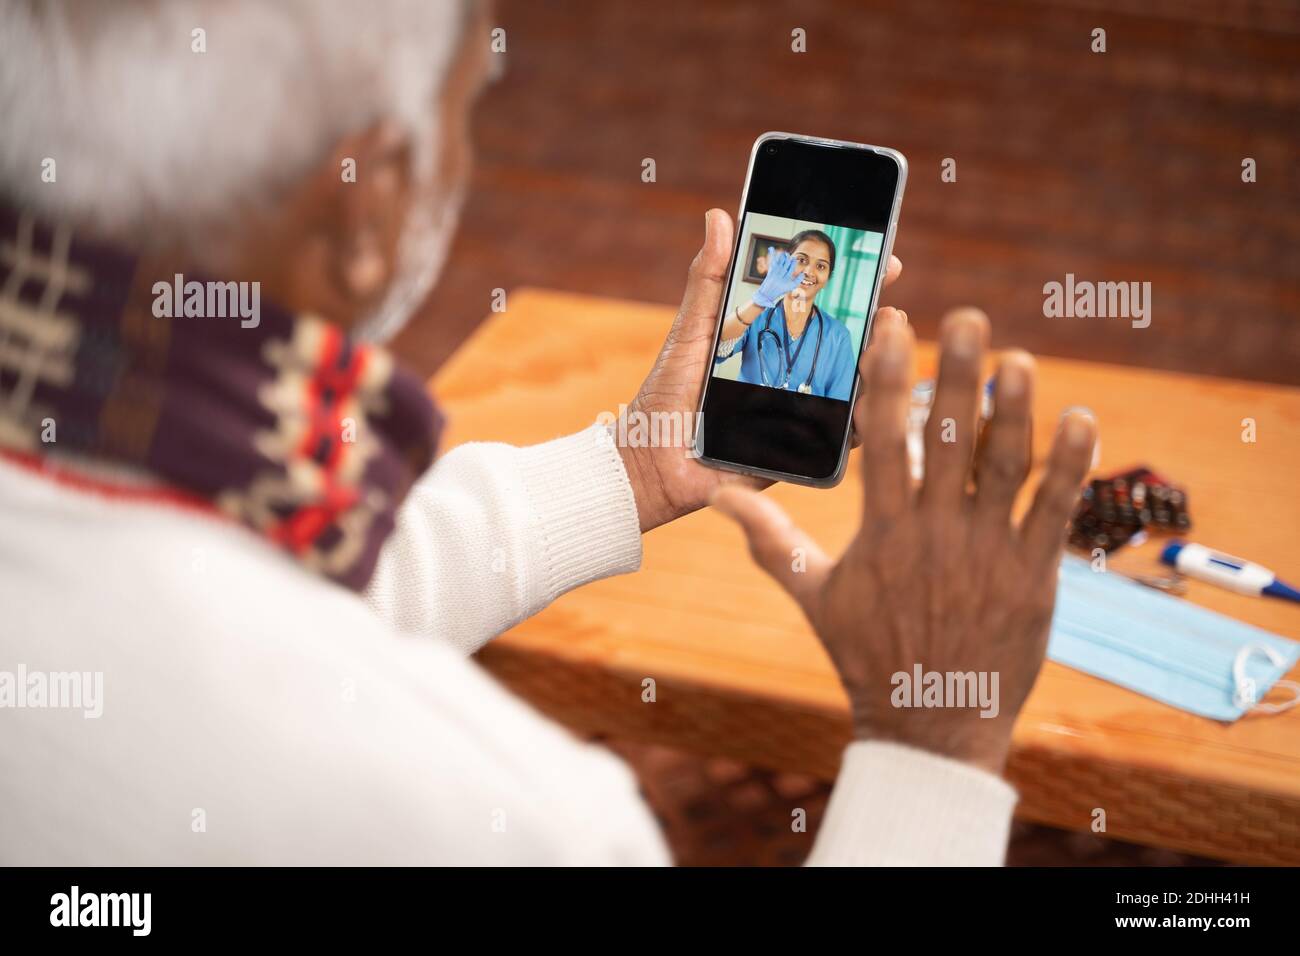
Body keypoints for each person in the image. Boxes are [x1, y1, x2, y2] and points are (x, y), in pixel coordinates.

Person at [0, 0, 1095, 865]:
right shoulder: (510, 819)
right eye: (467, 107)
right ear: (365, 209)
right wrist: (928, 755)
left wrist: (624, 468)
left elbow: (219, 615)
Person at [715, 231, 857, 399]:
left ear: (827, 277)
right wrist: (759, 300)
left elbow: (840, 403)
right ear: (786, 263)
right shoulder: (757, 316)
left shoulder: (838, 335)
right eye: (802, 260)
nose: (809, 271)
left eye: (821, 266)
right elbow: (717, 348)